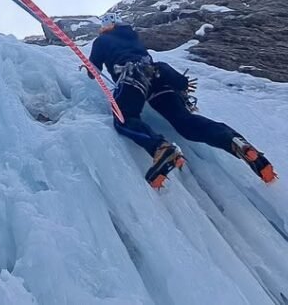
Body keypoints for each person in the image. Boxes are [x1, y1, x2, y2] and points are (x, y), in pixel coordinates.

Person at [87, 14, 275, 188]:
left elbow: (92, 70)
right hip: (160, 75)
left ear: (108, 25)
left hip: (132, 76)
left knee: (124, 118)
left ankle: (160, 148)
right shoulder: (133, 37)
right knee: (185, 122)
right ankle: (233, 140)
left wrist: (89, 67)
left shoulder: (102, 40)